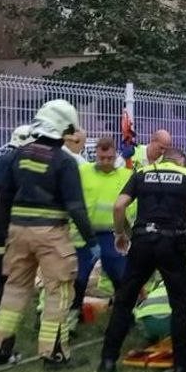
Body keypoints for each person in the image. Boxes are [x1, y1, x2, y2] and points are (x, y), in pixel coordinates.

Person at [0, 99, 98, 370]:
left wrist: (12, 226)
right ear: (61, 126)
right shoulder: (64, 161)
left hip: (18, 232)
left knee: (14, 291)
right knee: (58, 291)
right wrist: (91, 242)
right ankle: (54, 354)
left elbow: (4, 197)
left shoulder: (18, 155)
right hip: (51, 234)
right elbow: (76, 207)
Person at [97, 147, 186, 372]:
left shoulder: (142, 172)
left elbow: (119, 207)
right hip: (172, 244)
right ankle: (181, 367)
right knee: (180, 306)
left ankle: (107, 361)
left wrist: (121, 233)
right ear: (181, 162)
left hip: (142, 242)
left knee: (124, 300)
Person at [69, 137, 133, 319]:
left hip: (111, 235)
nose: (105, 162)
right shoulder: (83, 172)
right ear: (95, 155)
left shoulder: (125, 175)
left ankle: (125, 318)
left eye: (110, 158)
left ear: (115, 156)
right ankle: (72, 319)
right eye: (101, 158)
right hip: (84, 235)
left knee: (120, 278)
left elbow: (131, 208)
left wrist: (128, 233)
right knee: (79, 280)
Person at [0, 124, 33, 316]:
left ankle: (2, 297)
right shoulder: (8, 159)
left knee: (7, 258)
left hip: (7, 216)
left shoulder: (18, 159)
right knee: (0, 257)